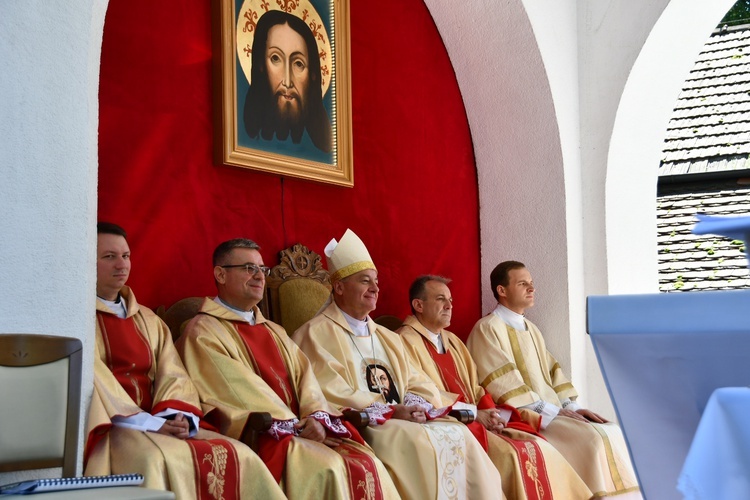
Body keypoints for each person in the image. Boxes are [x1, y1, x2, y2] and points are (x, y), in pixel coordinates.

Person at [175, 238, 399, 500]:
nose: (259, 276)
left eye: (262, 269)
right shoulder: (203, 331)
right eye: (249, 268)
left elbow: (307, 379)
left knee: (367, 462)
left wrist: (316, 415)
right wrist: (296, 425)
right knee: (328, 467)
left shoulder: (274, 330)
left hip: (302, 428)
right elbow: (235, 389)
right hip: (263, 433)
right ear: (220, 274)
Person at [292, 229, 503, 500]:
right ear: (339, 287)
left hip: (403, 419)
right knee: (418, 443)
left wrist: (418, 406)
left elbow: (417, 379)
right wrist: (392, 411)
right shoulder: (315, 334)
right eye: (364, 281)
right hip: (367, 424)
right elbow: (328, 389)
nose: (375, 288)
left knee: (459, 434)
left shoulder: (388, 337)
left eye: (376, 281)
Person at [85, 223, 284, 500]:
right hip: (117, 425)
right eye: (109, 257)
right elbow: (94, 379)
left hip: (161, 419)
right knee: (154, 460)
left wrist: (175, 416)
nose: (121, 265)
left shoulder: (148, 320)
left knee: (239, 454)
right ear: (84, 258)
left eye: (126, 256)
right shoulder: (79, 320)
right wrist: (151, 423)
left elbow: (174, 374)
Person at [398, 275, 593, 500]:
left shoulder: (452, 340)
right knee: (512, 454)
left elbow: (476, 387)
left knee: (537, 445)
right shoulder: (403, 341)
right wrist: (474, 414)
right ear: (418, 305)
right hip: (447, 423)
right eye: (441, 299)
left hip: (478, 418)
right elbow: (421, 393)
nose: (450, 305)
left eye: (450, 299)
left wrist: (492, 414)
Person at [466, 261, 641, 499]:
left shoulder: (531, 329)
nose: (531, 288)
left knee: (611, 430)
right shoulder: (487, 328)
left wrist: (573, 407)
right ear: (502, 290)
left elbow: (552, 373)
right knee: (591, 440)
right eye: (522, 283)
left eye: (531, 283)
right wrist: (552, 410)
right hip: (524, 415)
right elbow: (502, 385)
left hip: (553, 411)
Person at [243, 10, 332, 153]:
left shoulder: (323, 152)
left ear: (313, 75)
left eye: (298, 64)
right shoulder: (244, 141)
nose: (287, 81)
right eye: (275, 59)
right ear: (261, 66)